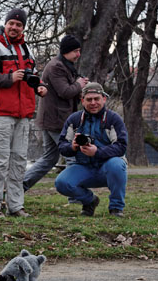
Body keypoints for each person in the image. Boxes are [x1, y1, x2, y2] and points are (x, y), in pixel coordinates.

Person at [0, 7, 48, 218]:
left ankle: (15, 205)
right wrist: (8, 78)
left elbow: (32, 75)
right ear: (5, 24)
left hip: (23, 113)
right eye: (11, 24)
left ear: (23, 28)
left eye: (18, 25)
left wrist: (40, 86)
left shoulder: (26, 49)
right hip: (0, 113)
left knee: (18, 161)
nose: (14, 27)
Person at [23, 35, 89, 191]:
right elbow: (65, 92)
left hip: (53, 119)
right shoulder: (56, 67)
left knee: (49, 159)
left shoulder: (65, 65)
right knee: (72, 156)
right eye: (75, 51)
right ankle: (76, 194)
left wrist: (78, 90)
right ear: (66, 51)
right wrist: (79, 85)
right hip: (57, 121)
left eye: (79, 50)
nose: (78, 54)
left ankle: (20, 186)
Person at [54, 83, 128, 217]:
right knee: (61, 183)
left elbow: (121, 146)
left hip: (107, 168)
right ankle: (90, 201)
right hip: (84, 167)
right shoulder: (74, 119)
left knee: (117, 164)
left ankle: (116, 208)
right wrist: (73, 146)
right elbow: (62, 145)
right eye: (89, 99)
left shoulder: (113, 119)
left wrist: (97, 152)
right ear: (82, 101)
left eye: (96, 99)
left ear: (103, 99)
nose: (93, 103)